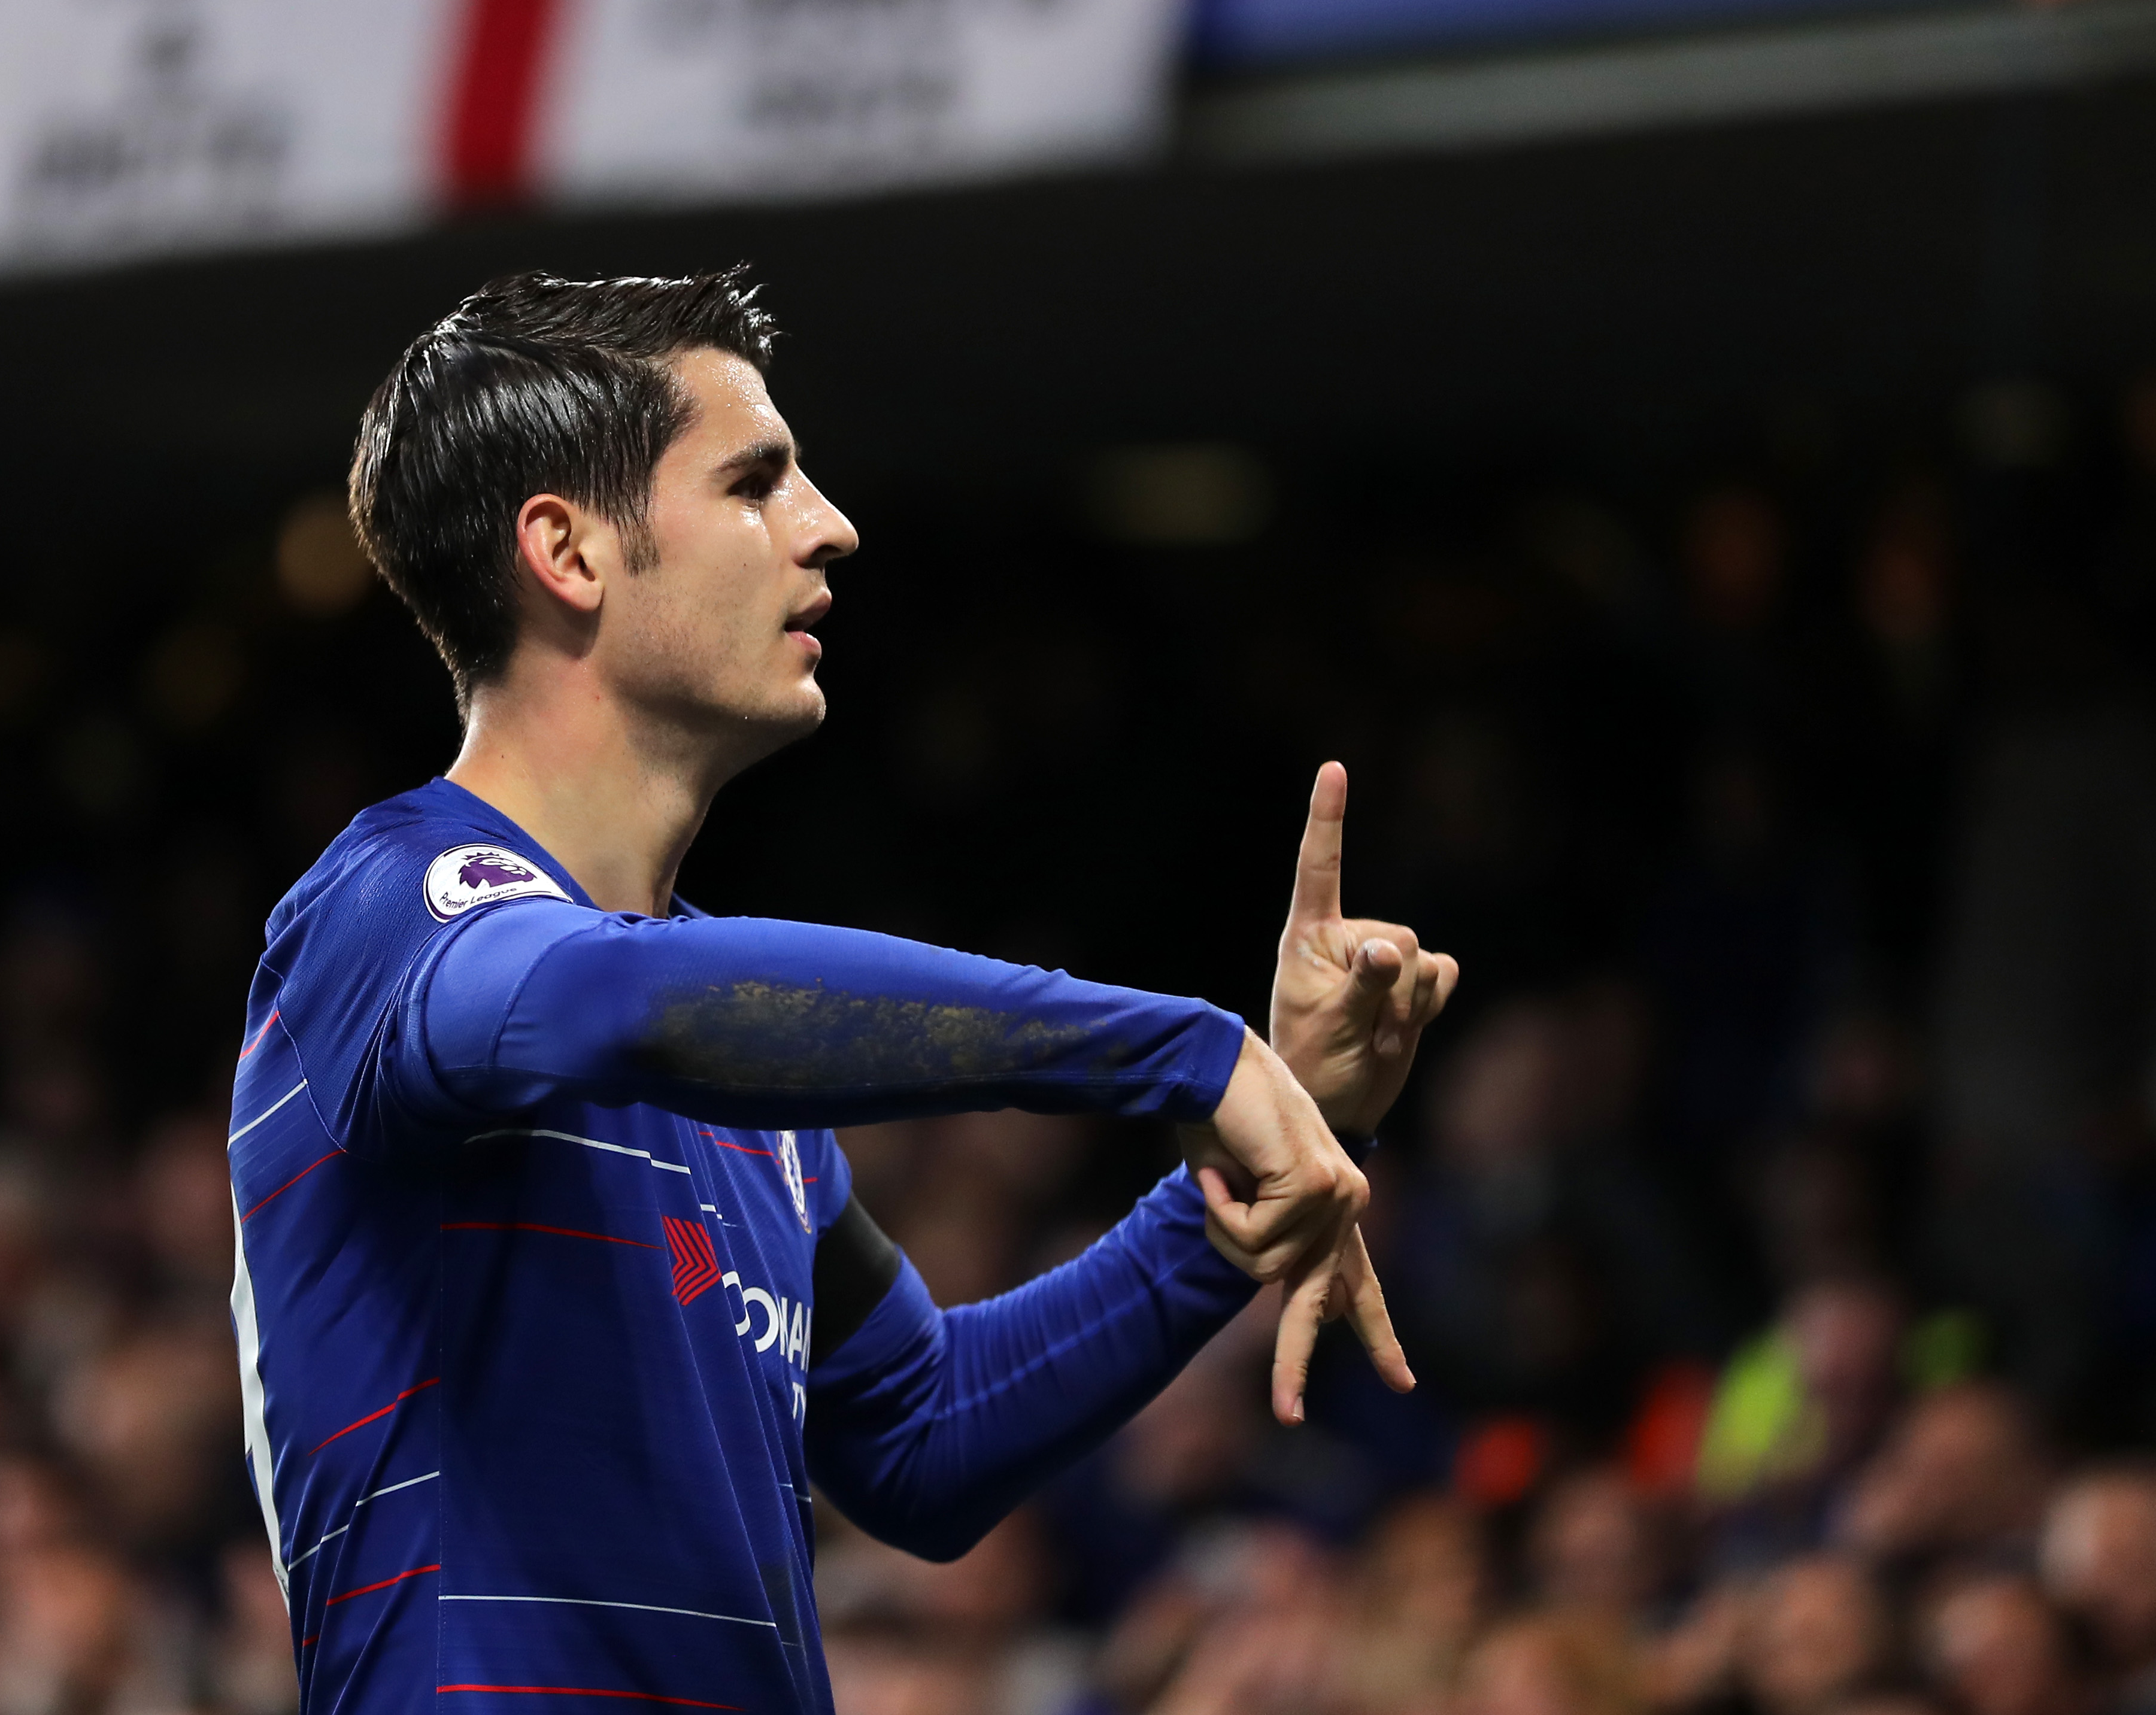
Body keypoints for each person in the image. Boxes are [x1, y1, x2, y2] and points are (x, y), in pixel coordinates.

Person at [226, 269, 1458, 1715]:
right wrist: (1178, 1054)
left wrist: (1274, 1149)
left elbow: (927, 1440)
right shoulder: (380, 910)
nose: (830, 524)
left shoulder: (752, 1091)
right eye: (755, 482)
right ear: (565, 549)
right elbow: (605, 1006)